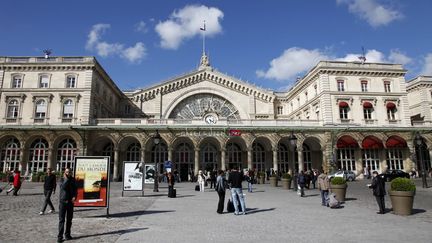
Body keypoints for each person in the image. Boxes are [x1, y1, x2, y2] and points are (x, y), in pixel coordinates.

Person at [57, 168, 77, 242]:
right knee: (61, 220)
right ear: (64, 173)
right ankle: (60, 237)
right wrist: (66, 179)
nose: (68, 173)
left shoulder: (73, 179)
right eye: (67, 172)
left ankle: (67, 235)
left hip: (70, 202)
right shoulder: (62, 179)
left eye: (69, 172)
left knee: (69, 220)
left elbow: (75, 189)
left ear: (71, 173)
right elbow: (63, 187)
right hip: (63, 202)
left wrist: (75, 196)